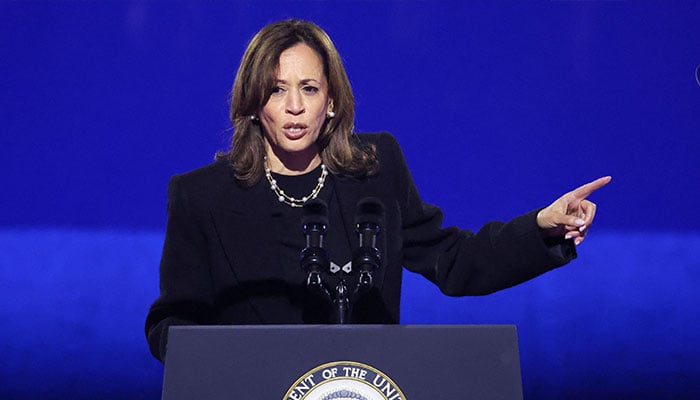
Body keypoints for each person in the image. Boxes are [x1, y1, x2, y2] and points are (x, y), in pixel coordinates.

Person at [145, 19, 611, 362]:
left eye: (308, 88)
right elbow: (170, 323)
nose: (293, 107)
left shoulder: (375, 169)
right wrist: (222, 365)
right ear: (252, 103)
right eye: (275, 90)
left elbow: (456, 262)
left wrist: (542, 228)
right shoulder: (201, 196)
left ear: (330, 102)